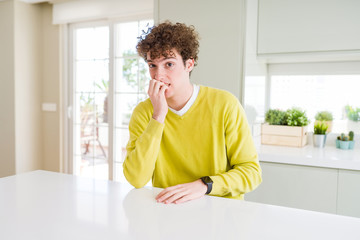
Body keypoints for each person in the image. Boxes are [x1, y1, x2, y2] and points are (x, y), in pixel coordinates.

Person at [123, 21, 262, 204]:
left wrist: (204, 185)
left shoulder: (225, 104)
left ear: (189, 64)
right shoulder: (144, 112)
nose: (158, 76)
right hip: (168, 211)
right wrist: (158, 117)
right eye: (152, 65)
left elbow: (251, 172)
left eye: (169, 64)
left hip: (221, 212)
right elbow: (136, 178)